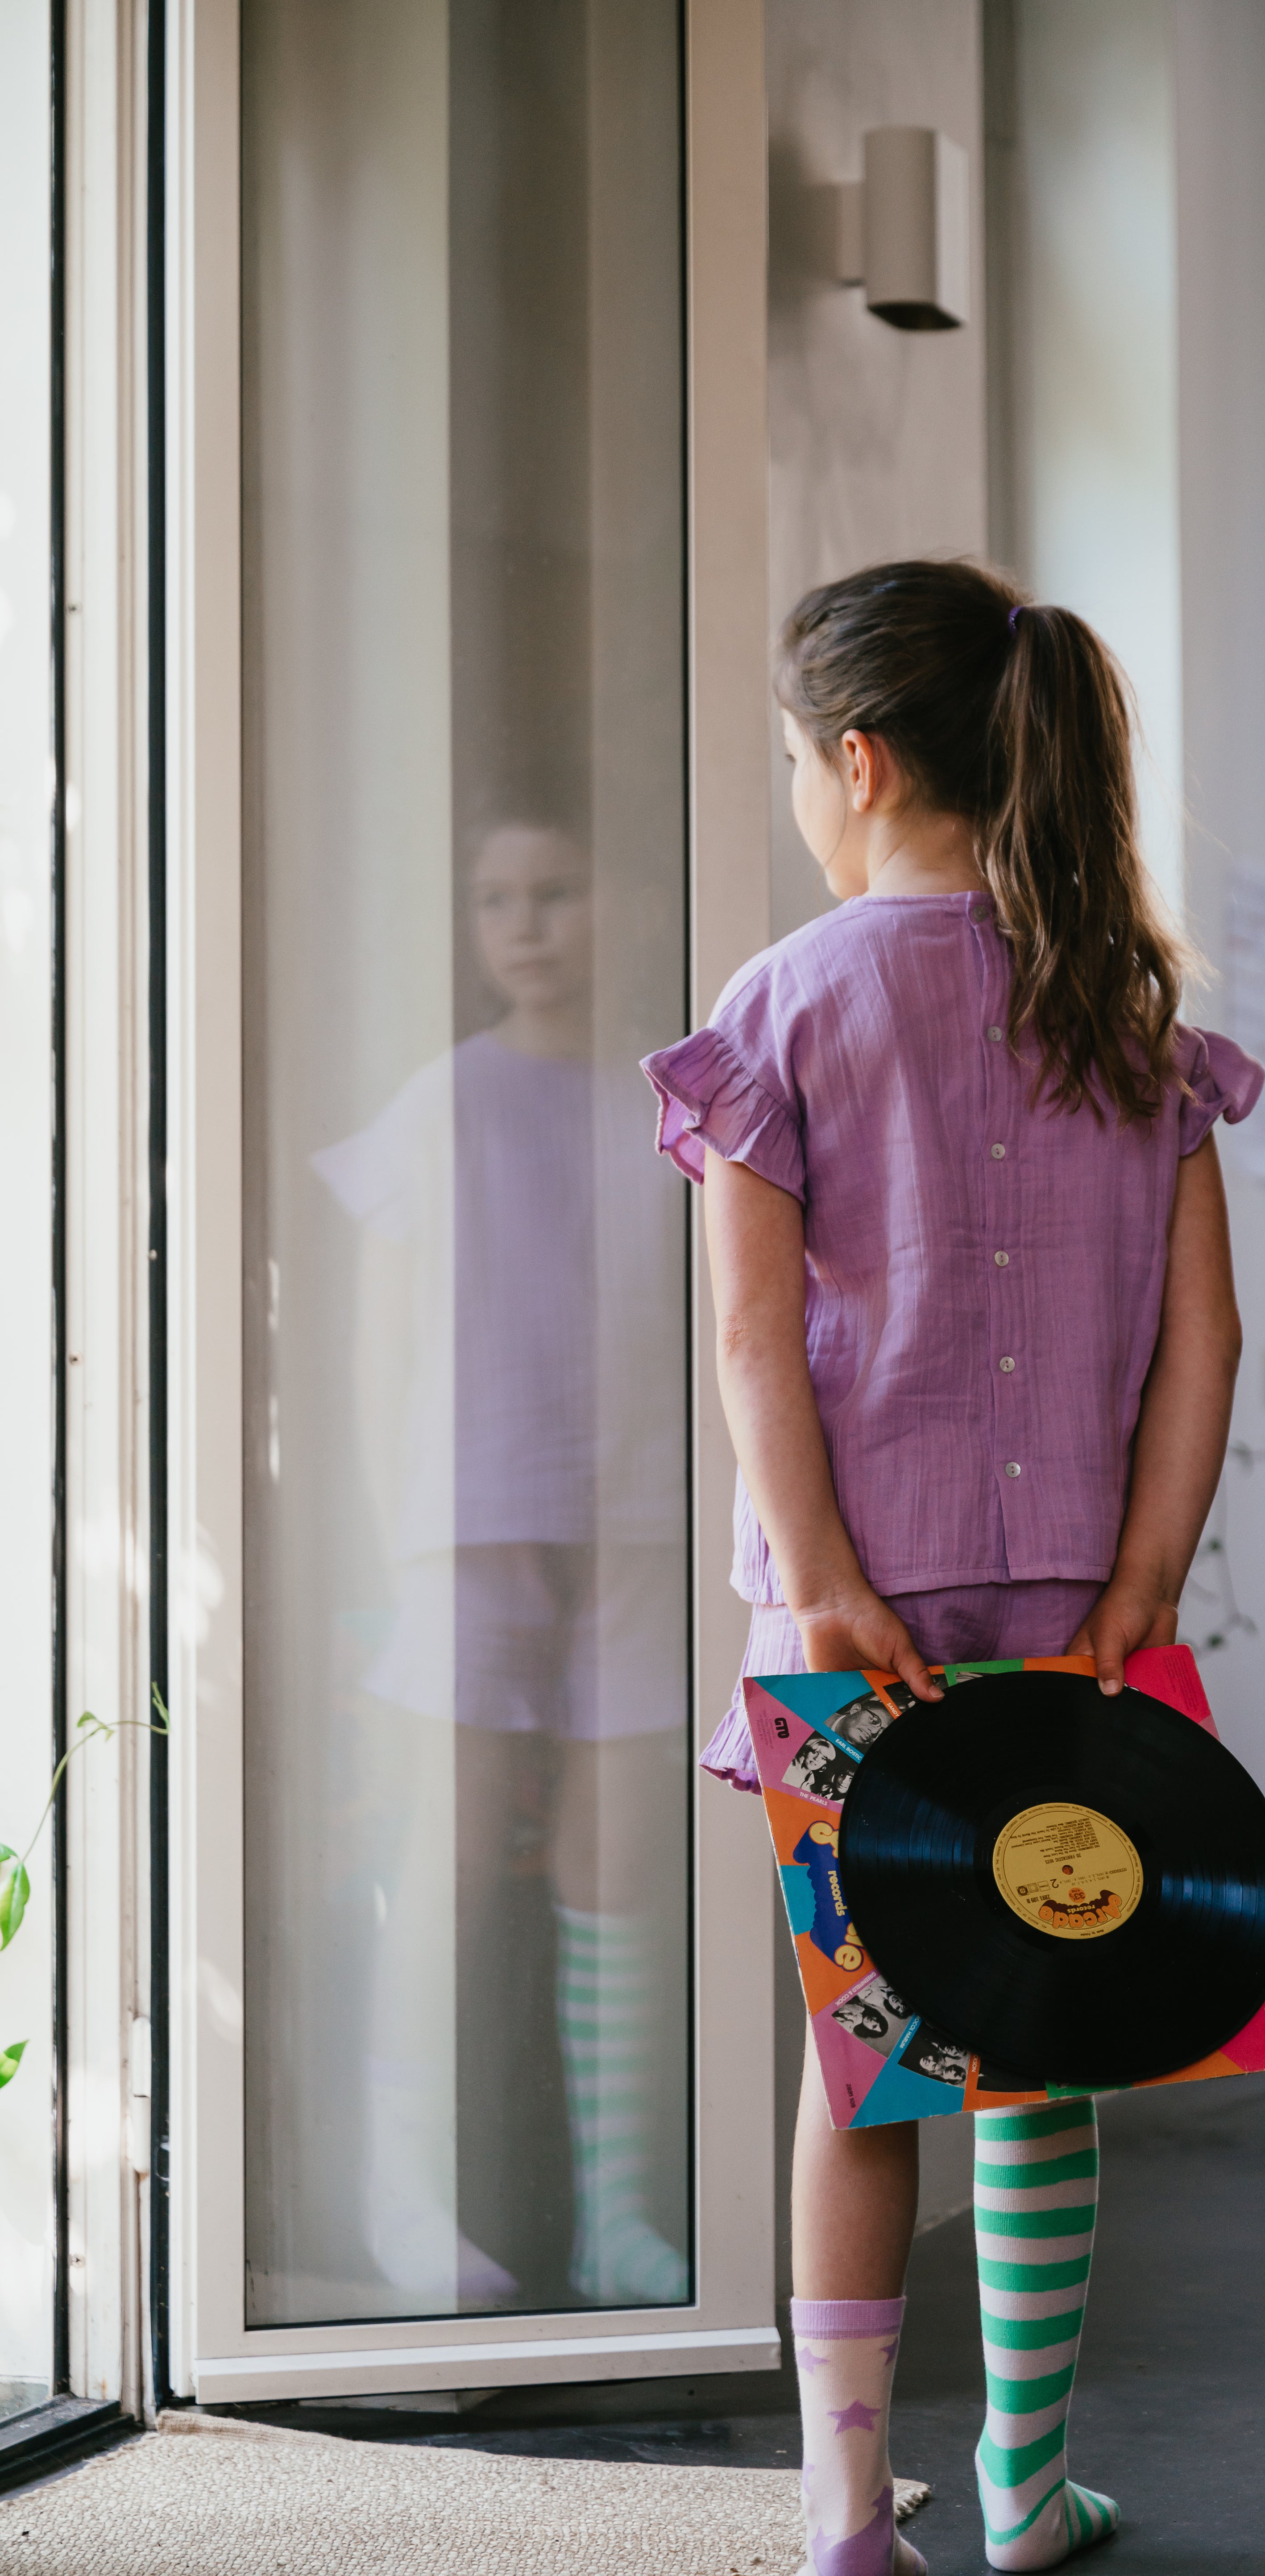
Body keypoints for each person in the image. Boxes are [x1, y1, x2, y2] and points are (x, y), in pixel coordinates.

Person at [642, 559, 1260, 2574]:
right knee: (1039, 2046)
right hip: (1072, 1611)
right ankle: (1023, 2484)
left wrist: (821, 1580)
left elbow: (751, 1337)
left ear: (860, 760)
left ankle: (843, 2505)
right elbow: (1202, 1341)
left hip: (855, 1619)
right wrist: (1143, 1579)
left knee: (871, 2069)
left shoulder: (783, 1000)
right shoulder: (1125, 1012)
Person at [318, 818, 688, 2315]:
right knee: (458, 1844)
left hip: (639, 1513)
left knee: (618, 1852)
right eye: (494, 899)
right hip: (470, 1524)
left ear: (623, 901)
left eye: (556, 892)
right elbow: (380, 1347)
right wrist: (392, 1542)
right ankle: (400, 2192)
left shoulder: (668, 1096)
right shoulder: (442, 1100)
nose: (524, 925)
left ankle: (619, 2214)